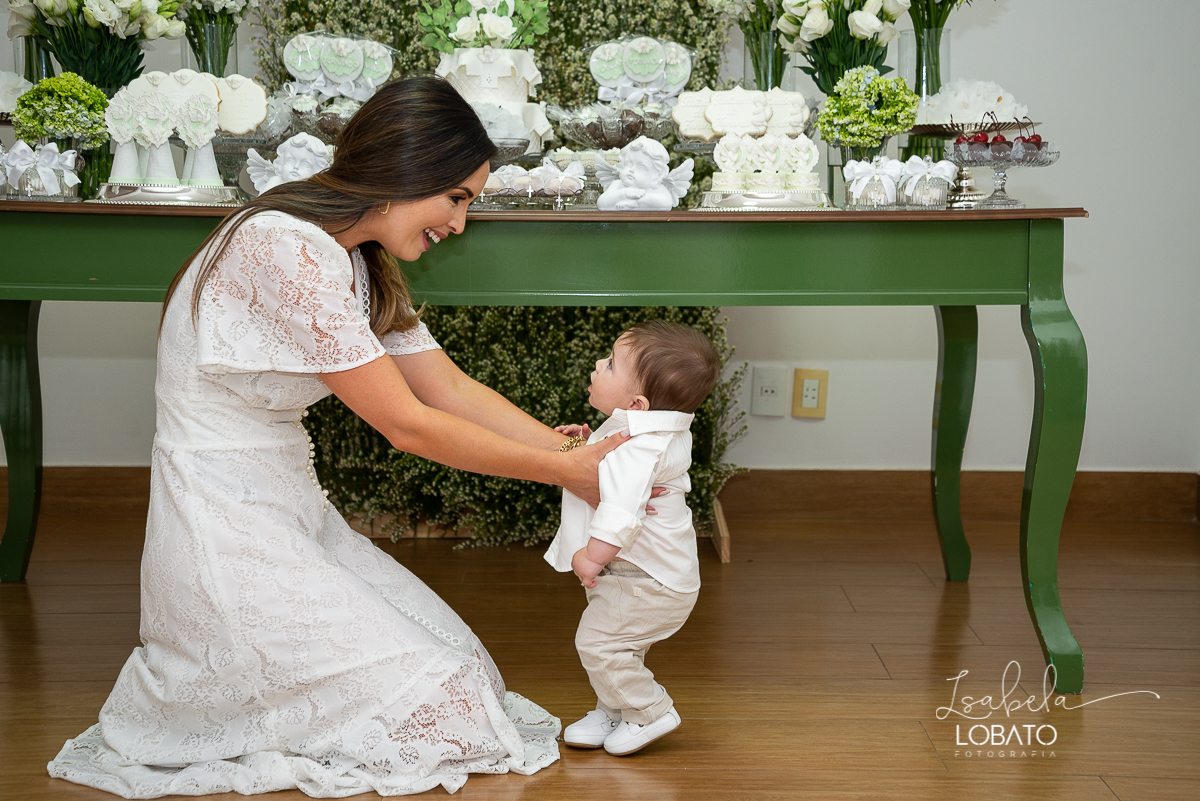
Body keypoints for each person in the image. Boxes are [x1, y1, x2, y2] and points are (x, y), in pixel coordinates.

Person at [46, 76, 628, 798]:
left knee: (465, 676)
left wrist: (574, 450)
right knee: (446, 710)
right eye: (458, 197)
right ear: (405, 173)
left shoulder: (356, 259)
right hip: (220, 531)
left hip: (289, 511)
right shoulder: (282, 245)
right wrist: (564, 473)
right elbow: (407, 424)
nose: (460, 224)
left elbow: (445, 388)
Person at [543, 320, 721, 756]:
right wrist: (582, 445)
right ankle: (614, 709)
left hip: (648, 581)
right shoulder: (646, 431)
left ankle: (650, 710)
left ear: (637, 403)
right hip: (643, 576)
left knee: (599, 642)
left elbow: (622, 512)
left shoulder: (642, 447)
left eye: (608, 364)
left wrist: (590, 556)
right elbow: (607, 470)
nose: (596, 365)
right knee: (619, 645)